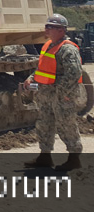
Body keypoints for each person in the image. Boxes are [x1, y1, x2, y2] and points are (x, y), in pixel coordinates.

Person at [21, 14, 84, 171]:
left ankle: (74, 158)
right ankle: (45, 156)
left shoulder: (67, 49)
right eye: (46, 26)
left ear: (61, 30)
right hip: (46, 95)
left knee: (66, 125)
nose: (46, 29)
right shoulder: (48, 45)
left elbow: (74, 73)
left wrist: (61, 93)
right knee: (44, 124)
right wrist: (31, 78)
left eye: (50, 27)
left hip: (61, 96)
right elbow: (42, 68)